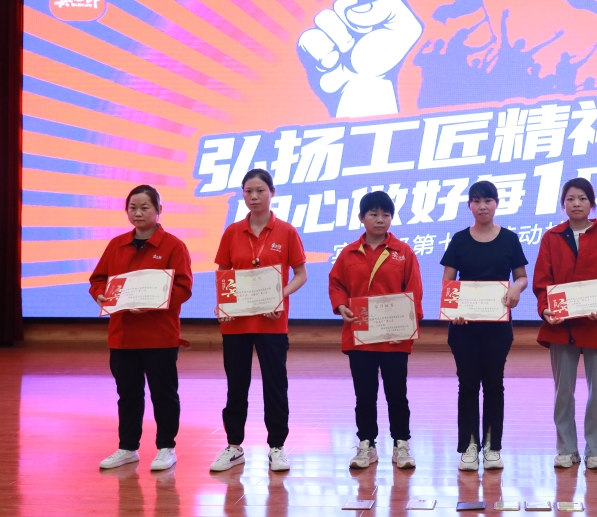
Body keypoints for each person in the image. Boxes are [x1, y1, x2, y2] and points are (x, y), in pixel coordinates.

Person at [89, 185, 193, 471]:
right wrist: (100, 294)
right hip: (122, 335)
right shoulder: (116, 244)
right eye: (132, 207)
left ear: (158, 211)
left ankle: (166, 447)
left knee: (164, 394)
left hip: (160, 335)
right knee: (128, 394)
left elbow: (184, 288)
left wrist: (153, 304)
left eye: (145, 207)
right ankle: (127, 447)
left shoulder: (173, 246)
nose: (138, 213)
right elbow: (98, 280)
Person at [210, 168, 307, 473]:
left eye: (260, 191)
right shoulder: (232, 232)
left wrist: (280, 295)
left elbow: (300, 275)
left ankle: (276, 446)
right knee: (236, 386)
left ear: (271, 193)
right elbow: (224, 274)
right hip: (236, 324)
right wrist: (223, 304)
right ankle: (234, 446)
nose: (254, 197)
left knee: (275, 386)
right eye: (248, 191)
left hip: (271, 322)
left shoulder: (286, 231)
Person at [533, 178, 597, 471]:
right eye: (570, 199)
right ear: (563, 204)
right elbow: (542, 280)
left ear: (592, 203)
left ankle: (595, 449)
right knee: (563, 390)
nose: (576, 204)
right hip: (562, 326)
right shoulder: (551, 237)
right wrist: (546, 308)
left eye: (582, 198)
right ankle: (566, 448)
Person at [328, 191, 424, 470]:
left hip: (395, 338)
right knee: (364, 395)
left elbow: (414, 291)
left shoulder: (403, 252)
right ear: (361, 218)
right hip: (360, 338)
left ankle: (401, 444)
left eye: (386, 214)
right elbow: (336, 284)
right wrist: (341, 306)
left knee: (397, 394)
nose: (380, 219)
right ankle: (366, 444)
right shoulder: (348, 253)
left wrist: (405, 327)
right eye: (374, 214)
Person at [440, 180, 529, 471]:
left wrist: (516, 288)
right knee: (467, 385)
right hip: (463, 326)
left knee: (493, 384)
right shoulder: (459, 239)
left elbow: (522, 277)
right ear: (469, 206)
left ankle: (492, 446)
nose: (482, 206)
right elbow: (448, 282)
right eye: (476, 201)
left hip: (497, 326)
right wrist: (454, 310)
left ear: (497, 204)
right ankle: (469, 445)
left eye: (488, 201)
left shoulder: (510, 239)